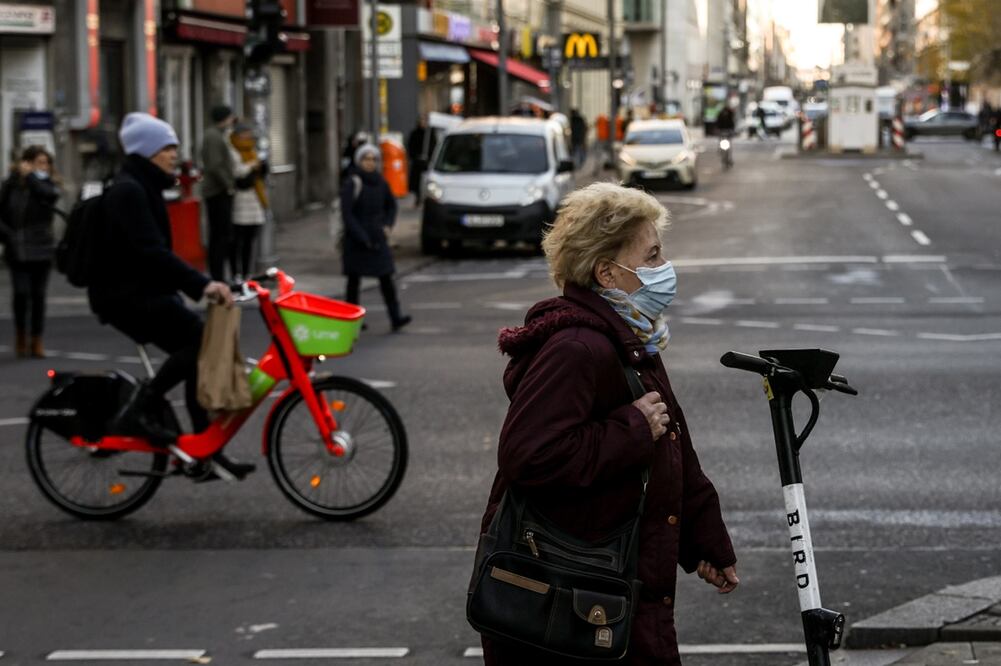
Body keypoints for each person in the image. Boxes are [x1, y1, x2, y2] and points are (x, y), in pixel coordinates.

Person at [479, 182, 738, 665]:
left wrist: (706, 541)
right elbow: (528, 455)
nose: (665, 269)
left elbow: (672, 446)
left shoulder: (630, 340)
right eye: (653, 255)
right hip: (569, 603)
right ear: (608, 272)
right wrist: (632, 430)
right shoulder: (578, 347)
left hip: (605, 591)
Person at [88, 113, 251, 474]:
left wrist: (201, 282)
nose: (174, 154)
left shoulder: (143, 185)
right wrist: (202, 285)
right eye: (167, 148)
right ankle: (138, 410)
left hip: (142, 289)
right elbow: (151, 252)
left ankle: (203, 449)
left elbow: (159, 255)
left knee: (198, 346)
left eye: (175, 147)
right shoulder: (130, 190)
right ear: (147, 151)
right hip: (123, 296)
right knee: (197, 340)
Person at [340, 144, 411, 332]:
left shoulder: (381, 182)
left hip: (378, 238)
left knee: (386, 278)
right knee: (353, 282)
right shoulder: (352, 183)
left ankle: (395, 317)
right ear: (359, 161)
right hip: (356, 241)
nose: (370, 163)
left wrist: (387, 225)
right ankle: (353, 321)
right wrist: (361, 236)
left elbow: (391, 206)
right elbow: (347, 214)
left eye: (373, 159)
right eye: (366, 159)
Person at [0, 146, 60, 358]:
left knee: (38, 296)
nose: (41, 167)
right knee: (21, 294)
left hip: (41, 248)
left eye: (45, 163)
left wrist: (33, 179)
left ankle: (36, 339)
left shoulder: (47, 186)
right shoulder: (12, 186)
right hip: (17, 248)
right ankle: (21, 335)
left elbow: (49, 196)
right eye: (37, 163)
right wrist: (8, 235)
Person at [200, 104, 236, 281]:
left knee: (219, 234)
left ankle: (219, 274)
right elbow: (215, 165)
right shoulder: (214, 136)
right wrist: (228, 184)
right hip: (217, 191)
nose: (231, 121)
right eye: (229, 117)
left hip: (217, 190)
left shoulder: (215, 135)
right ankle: (218, 275)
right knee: (220, 235)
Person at [228, 120, 268, 280]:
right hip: (240, 199)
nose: (249, 135)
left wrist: (260, 167)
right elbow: (236, 172)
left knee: (250, 240)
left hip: (254, 198)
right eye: (245, 132)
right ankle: (236, 273)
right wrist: (253, 166)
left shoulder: (252, 149)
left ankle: (247, 272)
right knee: (238, 239)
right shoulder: (233, 150)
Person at [406, 115, 437, 208]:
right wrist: (415, 156)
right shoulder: (414, 134)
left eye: (424, 121)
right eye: (421, 121)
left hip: (427, 162)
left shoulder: (430, 134)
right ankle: (418, 198)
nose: (423, 123)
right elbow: (411, 147)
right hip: (417, 161)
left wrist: (429, 157)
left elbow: (433, 146)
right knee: (417, 181)